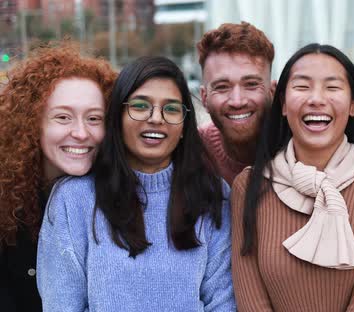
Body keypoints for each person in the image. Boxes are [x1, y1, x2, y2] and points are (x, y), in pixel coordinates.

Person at [37, 56, 235, 311]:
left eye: (171, 109)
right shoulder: (73, 199)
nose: (156, 118)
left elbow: (222, 301)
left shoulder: (213, 194)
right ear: (117, 117)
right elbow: (62, 304)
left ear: (185, 125)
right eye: (140, 105)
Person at [231, 43, 354, 311]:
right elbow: (251, 301)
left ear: (353, 104)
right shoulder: (248, 186)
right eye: (302, 86)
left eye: (332, 87)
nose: (316, 99)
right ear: (283, 104)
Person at [0, 43, 117, 312]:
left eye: (94, 118)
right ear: (32, 122)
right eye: (63, 117)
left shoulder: (121, 196)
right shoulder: (6, 201)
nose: (80, 132)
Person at [197, 21, 275, 184]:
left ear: (272, 92)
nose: (237, 101)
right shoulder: (192, 151)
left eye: (251, 84)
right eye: (222, 87)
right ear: (204, 98)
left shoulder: (299, 149)